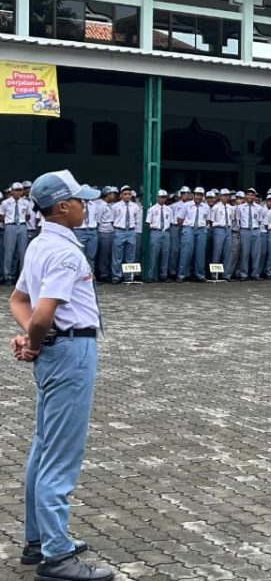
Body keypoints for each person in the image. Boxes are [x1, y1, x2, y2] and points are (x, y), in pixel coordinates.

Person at [9, 170, 114, 581]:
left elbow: (19, 300)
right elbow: (43, 311)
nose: (85, 206)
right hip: (70, 350)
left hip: (56, 350)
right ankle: (56, 556)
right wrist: (34, 338)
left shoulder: (40, 244)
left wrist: (32, 336)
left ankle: (38, 540)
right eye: (80, 200)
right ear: (63, 207)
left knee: (44, 444)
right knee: (61, 454)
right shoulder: (65, 251)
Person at [2, 181, 32, 285]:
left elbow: (28, 216)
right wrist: (9, 223)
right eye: (16, 190)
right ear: (12, 191)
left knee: (22, 252)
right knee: (8, 252)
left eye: (20, 190)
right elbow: (1, 216)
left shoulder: (25, 203)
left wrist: (20, 221)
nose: (18, 192)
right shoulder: (5, 203)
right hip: (10, 225)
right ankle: (8, 276)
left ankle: (22, 276)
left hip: (22, 225)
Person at [109, 186, 141, 284]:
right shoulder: (115, 206)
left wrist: (131, 228)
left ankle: (128, 276)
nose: (127, 196)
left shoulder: (135, 206)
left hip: (131, 231)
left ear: (131, 195)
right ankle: (116, 276)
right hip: (119, 231)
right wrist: (118, 229)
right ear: (121, 195)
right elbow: (112, 220)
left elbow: (137, 220)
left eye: (129, 194)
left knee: (130, 256)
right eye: (125, 194)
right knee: (117, 256)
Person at [144, 190, 174, 283]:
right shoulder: (152, 209)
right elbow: (148, 223)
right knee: (153, 254)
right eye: (161, 197)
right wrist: (155, 229)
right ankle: (150, 276)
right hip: (156, 232)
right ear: (157, 197)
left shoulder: (169, 209)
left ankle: (163, 275)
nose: (162, 199)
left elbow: (171, 222)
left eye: (164, 197)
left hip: (166, 232)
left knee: (165, 254)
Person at [93, 188, 116, 282]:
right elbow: (98, 221)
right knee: (104, 255)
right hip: (104, 232)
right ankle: (103, 274)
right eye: (111, 194)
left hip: (110, 231)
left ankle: (108, 272)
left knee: (109, 254)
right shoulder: (101, 206)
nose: (113, 196)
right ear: (107, 195)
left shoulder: (109, 205)